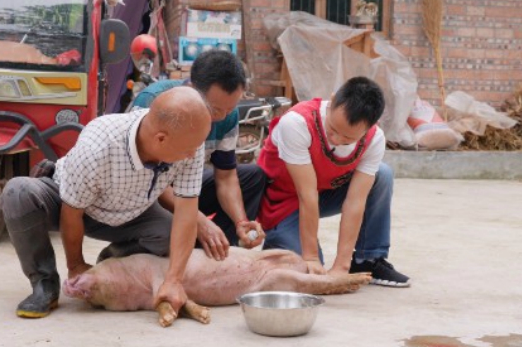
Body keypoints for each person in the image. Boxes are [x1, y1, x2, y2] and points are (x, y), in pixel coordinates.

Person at [1, 87, 212, 318]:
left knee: (169, 235)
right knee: (18, 193)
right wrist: (76, 265)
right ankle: (44, 283)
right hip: (68, 203)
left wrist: (174, 280)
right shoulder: (99, 145)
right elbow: (72, 213)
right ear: (161, 138)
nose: (193, 154)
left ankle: (111, 260)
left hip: (131, 211)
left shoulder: (191, 141)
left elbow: (186, 212)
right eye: (188, 150)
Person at [257, 76, 410, 287]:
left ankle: (368, 260)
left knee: (382, 175)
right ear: (332, 101)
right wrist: (310, 257)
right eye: (332, 130)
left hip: (324, 193)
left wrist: (341, 266)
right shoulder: (297, 123)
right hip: (284, 200)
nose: (337, 140)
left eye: (348, 139)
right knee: (307, 273)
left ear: (370, 127)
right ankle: (280, 241)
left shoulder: (374, 139)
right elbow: (306, 194)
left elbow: (355, 203)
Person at [132, 49, 266, 261]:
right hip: (147, 191)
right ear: (191, 88)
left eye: (229, 109)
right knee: (168, 230)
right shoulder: (154, 102)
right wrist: (199, 221)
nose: (220, 117)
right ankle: (132, 249)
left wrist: (241, 222)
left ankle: (216, 251)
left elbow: (226, 177)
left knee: (253, 176)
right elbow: (144, 178)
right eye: (214, 110)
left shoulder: (227, 116)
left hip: (187, 188)